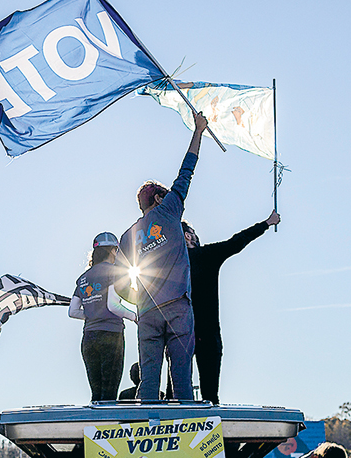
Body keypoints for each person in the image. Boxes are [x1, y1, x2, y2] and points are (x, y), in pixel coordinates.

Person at [117, 112, 209, 400]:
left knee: (148, 379)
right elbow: (186, 172)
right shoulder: (169, 209)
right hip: (178, 307)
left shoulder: (127, 236)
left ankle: (147, 431)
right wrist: (199, 131)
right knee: (181, 377)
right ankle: (185, 437)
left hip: (147, 312)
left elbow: (119, 284)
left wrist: (140, 300)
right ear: (158, 199)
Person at [183, 210, 280, 404]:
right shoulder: (206, 255)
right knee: (210, 395)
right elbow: (237, 241)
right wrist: (266, 223)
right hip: (208, 333)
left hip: (181, 333)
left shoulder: (173, 264)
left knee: (176, 393)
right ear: (188, 236)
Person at [69, 232, 137, 402]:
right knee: (109, 393)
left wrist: (93, 314)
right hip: (111, 335)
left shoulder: (83, 278)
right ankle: (106, 428)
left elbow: (72, 311)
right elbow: (113, 305)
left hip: (89, 338)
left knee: (96, 394)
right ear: (114, 251)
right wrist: (134, 316)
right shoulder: (115, 271)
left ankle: (95, 427)